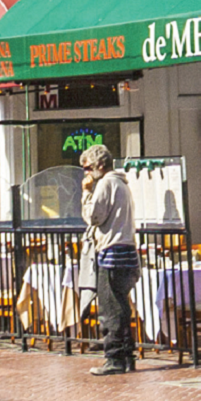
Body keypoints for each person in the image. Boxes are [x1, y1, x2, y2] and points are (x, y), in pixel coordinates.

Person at [81, 143, 137, 375]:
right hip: (128, 253)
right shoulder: (123, 184)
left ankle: (114, 359)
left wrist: (86, 193)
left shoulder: (106, 184)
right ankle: (127, 356)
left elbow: (94, 216)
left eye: (87, 168)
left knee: (110, 309)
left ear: (100, 165)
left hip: (112, 253)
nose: (86, 173)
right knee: (121, 307)